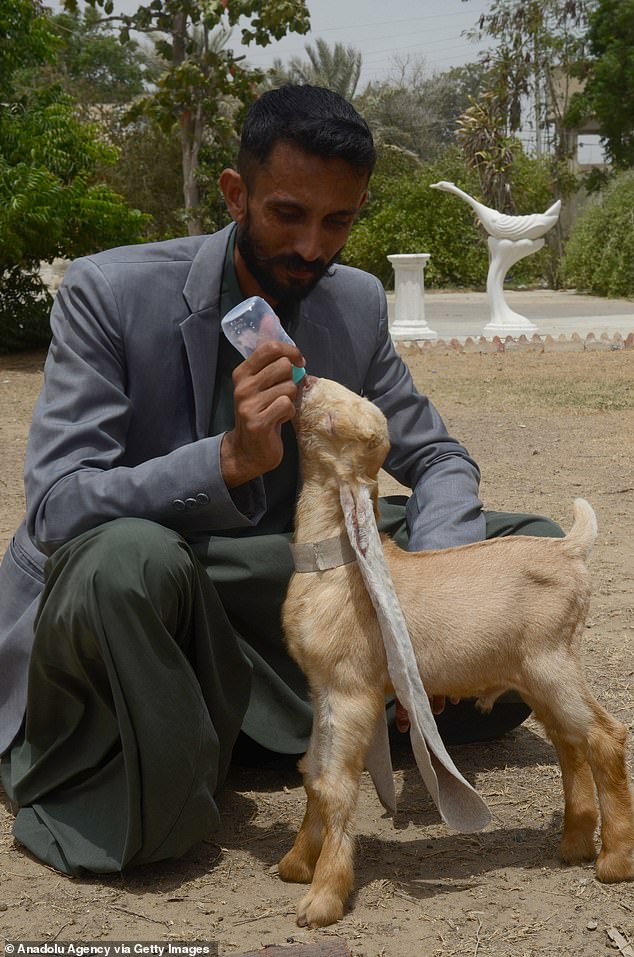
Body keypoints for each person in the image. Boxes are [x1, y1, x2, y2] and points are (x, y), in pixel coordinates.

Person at [0, 85, 563, 876]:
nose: (312, 247)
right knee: (126, 560)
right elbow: (59, 508)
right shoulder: (112, 294)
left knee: (528, 551)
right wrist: (224, 461)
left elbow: (437, 458)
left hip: (298, 588)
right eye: (288, 214)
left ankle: (259, 717)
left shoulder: (353, 302)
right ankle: (204, 730)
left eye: (339, 221)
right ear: (237, 193)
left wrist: (425, 610)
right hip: (173, 588)